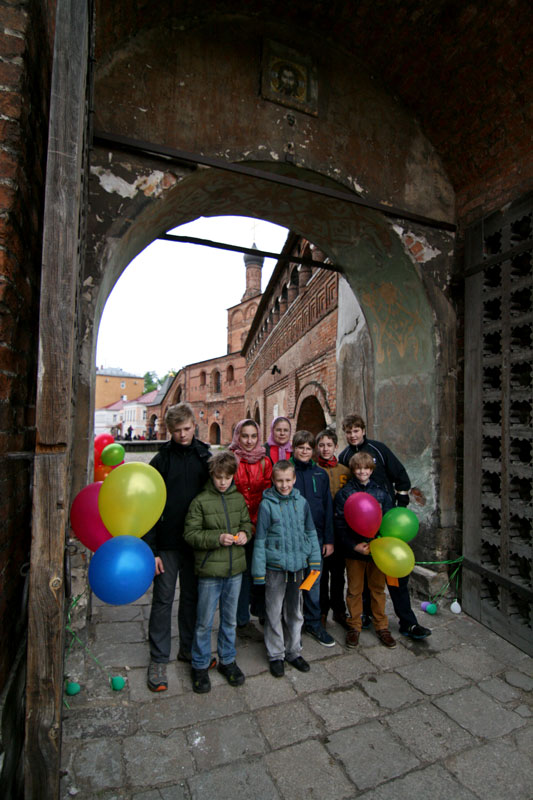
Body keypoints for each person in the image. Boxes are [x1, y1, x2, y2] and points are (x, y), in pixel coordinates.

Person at [338, 414, 431, 640]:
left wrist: (398, 509)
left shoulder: (379, 450)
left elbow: (400, 476)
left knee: (395, 574)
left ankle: (408, 622)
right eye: (349, 432)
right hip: (361, 528)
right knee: (365, 577)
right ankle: (366, 615)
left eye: (356, 431)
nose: (353, 435)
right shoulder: (344, 457)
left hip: (386, 523)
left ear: (363, 430)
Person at [143, 403, 211, 692]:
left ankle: (188, 648)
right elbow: (146, 506)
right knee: (163, 599)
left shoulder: (205, 457)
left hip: (195, 542)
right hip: (167, 544)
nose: (183, 435)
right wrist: (151, 549)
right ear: (169, 431)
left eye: (186, 428)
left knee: (192, 598)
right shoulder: (160, 461)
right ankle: (159, 658)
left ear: (194, 425)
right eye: (177, 430)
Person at [183, 451, 252, 693]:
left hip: (235, 570)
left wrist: (244, 534)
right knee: (204, 621)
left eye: (227, 478)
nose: (223, 482)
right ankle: (200, 664)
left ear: (233, 477)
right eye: (219, 477)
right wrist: (217, 538)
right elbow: (191, 534)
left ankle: (227, 660)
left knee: (229, 620)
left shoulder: (238, 499)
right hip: (210, 571)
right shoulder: (200, 501)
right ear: (212, 476)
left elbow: (246, 523)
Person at [252, 460, 321, 677]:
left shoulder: (302, 503)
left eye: (288, 480)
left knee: (295, 611)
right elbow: (260, 540)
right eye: (280, 481)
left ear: (294, 479)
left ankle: (293, 651)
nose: (284, 485)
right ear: (273, 480)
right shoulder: (267, 505)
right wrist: (258, 572)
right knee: (273, 611)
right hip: (275, 567)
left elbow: (310, 532)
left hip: (297, 567)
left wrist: (315, 561)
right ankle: (276, 654)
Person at [334, 451, 396, 648]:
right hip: (355, 551)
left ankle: (381, 626)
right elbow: (340, 525)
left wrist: (380, 542)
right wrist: (353, 546)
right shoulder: (345, 494)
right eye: (358, 468)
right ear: (353, 470)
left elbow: (388, 521)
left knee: (377, 589)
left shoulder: (381, 493)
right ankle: (354, 626)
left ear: (371, 469)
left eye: (366, 468)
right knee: (354, 590)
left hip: (377, 550)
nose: (362, 472)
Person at [291, 430, 336, 647]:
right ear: (294, 449)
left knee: (314, 580)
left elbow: (327, 508)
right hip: (292, 538)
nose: (304, 452)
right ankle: (293, 623)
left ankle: (313, 622)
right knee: (293, 581)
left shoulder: (320, 474)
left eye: (308, 448)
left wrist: (329, 539)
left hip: (315, 538)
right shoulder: (286, 471)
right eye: (300, 448)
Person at [228, 419, 272, 638]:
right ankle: (241, 619)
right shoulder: (230, 460)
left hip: (260, 525)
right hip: (238, 527)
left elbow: (268, 492)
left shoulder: (264, 461)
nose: (249, 441)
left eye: (253, 436)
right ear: (238, 436)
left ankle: (261, 611)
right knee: (241, 573)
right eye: (244, 436)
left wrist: (260, 523)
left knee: (261, 570)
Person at [315, 428, 351, 628]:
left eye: (329, 445)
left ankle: (338, 609)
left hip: (340, 529)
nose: (325, 449)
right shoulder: (314, 470)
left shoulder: (345, 471)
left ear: (336, 446)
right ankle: (321, 610)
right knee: (321, 573)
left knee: (338, 573)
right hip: (320, 528)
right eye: (321, 445)